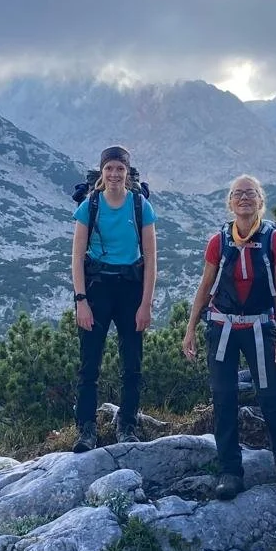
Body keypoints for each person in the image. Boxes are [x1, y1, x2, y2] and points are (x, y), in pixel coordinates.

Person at [182, 174, 276, 499]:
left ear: (260, 201)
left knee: (272, 396)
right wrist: (190, 328)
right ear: (230, 202)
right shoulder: (218, 241)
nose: (244, 198)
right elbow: (205, 287)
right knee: (223, 398)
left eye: (250, 193)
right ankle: (230, 471)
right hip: (222, 328)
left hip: (262, 327)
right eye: (237, 194)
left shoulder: (275, 241)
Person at [72, 144, 159, 450]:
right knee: (89, 365)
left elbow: (150, 258)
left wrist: (145, 304)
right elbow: (77, 257)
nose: (114, 174)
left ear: (127, 173)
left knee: (132, 363)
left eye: (119, 168)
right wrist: (80, 300)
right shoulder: (89, 206)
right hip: (96, 289)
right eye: (109, 168)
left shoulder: (140, 206)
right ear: (102, 171)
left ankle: (128, 426)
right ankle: (85, 431)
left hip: (130, 289)